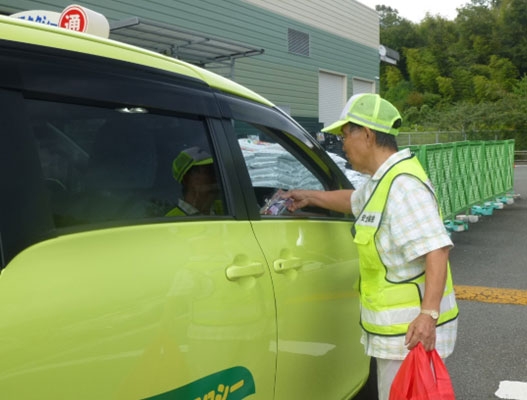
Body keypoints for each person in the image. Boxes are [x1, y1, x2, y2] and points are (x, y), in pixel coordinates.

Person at [282, 93, 458, 400]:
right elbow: (353, 200)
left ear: (366, 134)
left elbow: (437, 248)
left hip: (411, 335)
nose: (342, 143)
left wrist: (428, 316)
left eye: (345, 134)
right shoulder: (383, 181)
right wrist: (310, 196)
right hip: (396, 334)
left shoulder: (404, 185)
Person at [166, 147, 220, 216]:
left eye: (214, 170)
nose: (214, 176)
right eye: (208, 171)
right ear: (186, 179)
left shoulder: (225, 207)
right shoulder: (173, 219)